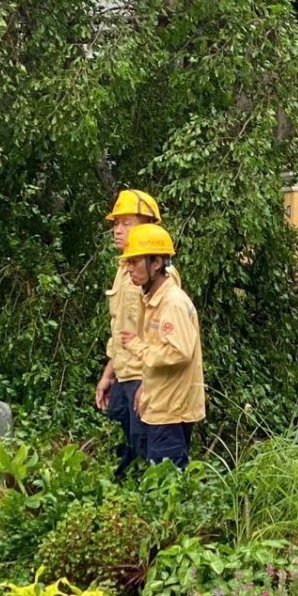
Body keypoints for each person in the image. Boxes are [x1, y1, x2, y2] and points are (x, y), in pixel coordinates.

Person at [94, 189, 161, 477]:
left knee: (147, 450)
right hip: (124, 374)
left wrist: (149, 384)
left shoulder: (156, 275)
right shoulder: (125, 269)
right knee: (125, 449)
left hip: (142, 378)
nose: (118, 230)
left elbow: (158, 339)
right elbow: (123, 330)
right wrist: (108, 374)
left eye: (126, 223)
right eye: (115, 224)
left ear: (147, 225)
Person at [126, 223, 205, 469]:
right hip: (160, 404)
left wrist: (137, 347)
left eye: (135, 261)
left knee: (166, 486)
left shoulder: (172, 303)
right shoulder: (154, 299)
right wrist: (145, 388)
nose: (129, 269)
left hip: (171, 411)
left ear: (157, 263)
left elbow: (178, 352)